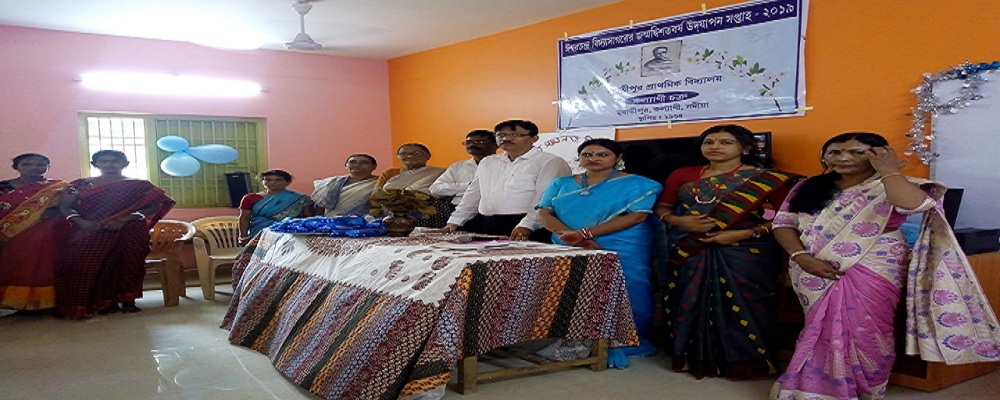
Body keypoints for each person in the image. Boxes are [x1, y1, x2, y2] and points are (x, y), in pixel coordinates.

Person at [769, 133, 1000, 399]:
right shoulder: (807, 187)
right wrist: (800, 256)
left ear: (880, 154)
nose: (844, 157)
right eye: (835, 152)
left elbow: (912, 204)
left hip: (875, 266)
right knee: (817, 327)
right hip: (810, 266)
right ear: (824, 157)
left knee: (868, 329)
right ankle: (812, 389)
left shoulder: (897, 184)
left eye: (857, 152)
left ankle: (866, 388)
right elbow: (783, 224)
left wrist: (889, 171)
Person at [654, 124, 801, 379]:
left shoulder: (766, 178)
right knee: (687, 299)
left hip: (744, 251)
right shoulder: (682, 174)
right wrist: (679, 221)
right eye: (709, 142)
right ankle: (692, 357)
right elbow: (663, 207)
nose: (715, 147)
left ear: (745, 147)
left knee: (746, 303)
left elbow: (787, 218)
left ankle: (747, 360)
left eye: (725, 142)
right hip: (690, 246)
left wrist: (744, 233)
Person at [537, 138, 662, 368]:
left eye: (602, 154)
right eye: (587, 154)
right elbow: (544, 213)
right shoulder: (561, 183)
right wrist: (573, 237)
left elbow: (637, 216)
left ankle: (628, 339)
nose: (593, 158)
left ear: (618, 158)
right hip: (569, 244)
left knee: (630, 287)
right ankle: (579, 340)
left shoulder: (638, 184)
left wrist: (585, 233)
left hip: (621, 244)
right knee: (573, 288)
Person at [58, 150, 175, 318]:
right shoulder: (79, 184)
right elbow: (65, 206)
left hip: (130, 231)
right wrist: (81, 222)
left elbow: (154, 206)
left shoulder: (139, 185)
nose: (109, 164)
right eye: (104, 161)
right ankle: (101, 302)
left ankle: (128, 301)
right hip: (91, 230)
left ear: (125, 164)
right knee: (85, 265)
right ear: (95, 164)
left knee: (129, 265)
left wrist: (125, 219)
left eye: (115, 161)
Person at [443, 119, 572, 242]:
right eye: (501, 135)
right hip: (486, 223)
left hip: (526, 225)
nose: (505, 139)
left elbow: (545, 199)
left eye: (514, 135)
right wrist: (454, 222)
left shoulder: (550, 162)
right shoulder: (488, 161)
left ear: (534, 138)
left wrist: (528, 225)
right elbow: (473, 194)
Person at [0, 153, 68, 311]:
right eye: (27, 164)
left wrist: (50, 214)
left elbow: (67, 206)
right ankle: (14, 300)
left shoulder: (58, 186)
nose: (34, 168)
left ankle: (45, 301)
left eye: (40, 164)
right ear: (16, 167)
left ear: (48, 167)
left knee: (45, 264)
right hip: (11, 233)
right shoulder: (3, 187)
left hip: (48, 231)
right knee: (14, 264)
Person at [374, 143, 447, 227]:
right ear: (398, 156)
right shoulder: (390, 173)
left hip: (428, 213)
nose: (410, 156)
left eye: (417, 153)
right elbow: (376, 194)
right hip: (390, 212)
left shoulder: (439, 172)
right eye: (404, 153)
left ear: (428, 156)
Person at [238, 169, 313, 244]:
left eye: (278, 180)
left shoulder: (299, 199)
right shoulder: (250, 198)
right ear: (262, 181)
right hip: (258, 233)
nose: (272, 183)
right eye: (268, 180)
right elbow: (244, 218)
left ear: (288, 182)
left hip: (289, 235)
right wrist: (243, 237)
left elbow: (307, 217)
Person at [429, 129, 499, 207]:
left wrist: (454, 190)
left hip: (494, 210)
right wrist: (468, 186)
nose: (472, 145)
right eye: (468, 142)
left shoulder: (504, 164)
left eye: (479, 142)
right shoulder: (457, 166)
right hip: (458, 208)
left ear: (495, 145)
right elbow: (435, 189)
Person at [311, 154, 378, 217]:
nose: (357, 165)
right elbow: (321, 205)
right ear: (346, 165)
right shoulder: (331, 182)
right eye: (352, 162)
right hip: (330, 222)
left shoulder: (378, 183)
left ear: (374, 166)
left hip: (365, 222)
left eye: (364, 163)